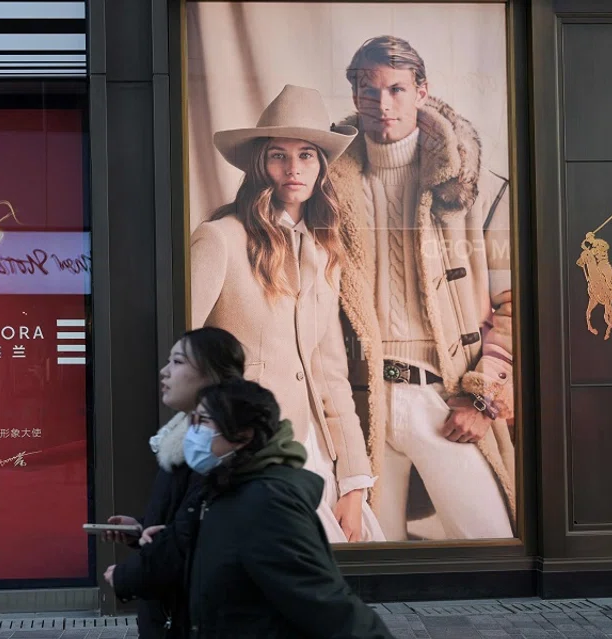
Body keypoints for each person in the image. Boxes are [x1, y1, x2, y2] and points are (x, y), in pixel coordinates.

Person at [328, 35, 515, 540]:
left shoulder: (477, 188)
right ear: (355, 98)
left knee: (491, 542)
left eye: (397, 89)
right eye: (369, 91)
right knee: (369, 564)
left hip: (445, 397)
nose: (383, 104)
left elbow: (515, 306)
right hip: (358, 405)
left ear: (422, 91)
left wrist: (481, 397)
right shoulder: (325, 186)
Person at [191, 84, 384, 543]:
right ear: (261, 163)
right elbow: (181, 357)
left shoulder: (322, 251)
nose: (293, 169)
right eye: (278, 155)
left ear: (321, 167)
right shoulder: (219, 239)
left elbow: (331, 373)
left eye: (307, 156)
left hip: (317, 453)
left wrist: (355, 482)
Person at [179, 378, 393, 638]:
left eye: (203, 422)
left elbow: (326, 602)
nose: (193, 433)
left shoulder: (268, 506)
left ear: (243, 435)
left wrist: (354, 485)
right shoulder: (218, 491)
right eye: (193, 420)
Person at [102, 327, 245, 638]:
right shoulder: (181, 443)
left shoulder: (218, 449)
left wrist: (126, 576)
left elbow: (192, 544)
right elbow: (182, 524)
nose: (165, 372)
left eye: (178, 362)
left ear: (213, 374)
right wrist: (139, 530)